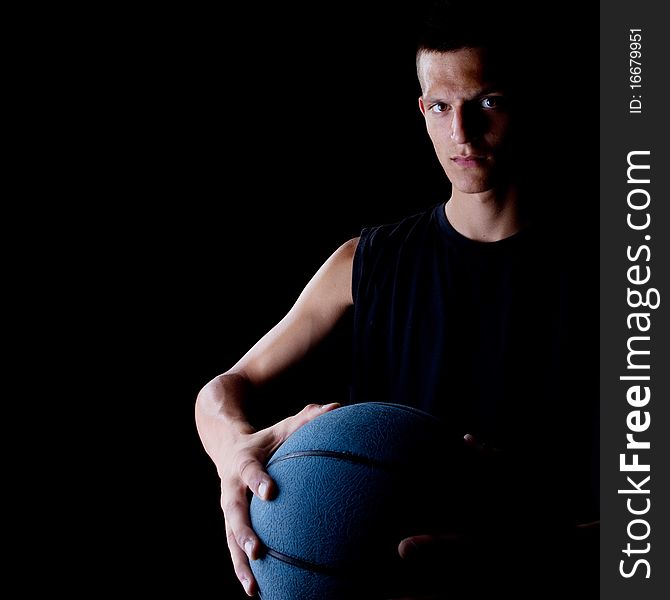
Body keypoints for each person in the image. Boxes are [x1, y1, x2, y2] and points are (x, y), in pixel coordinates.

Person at [195, 2, 598, 597]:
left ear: (526, 99)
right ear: (422, 110)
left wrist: (534, 550)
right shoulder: (364, 262)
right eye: (441, 106)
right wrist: (235, 455)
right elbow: (221, 391)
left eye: (487, 101)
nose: (461, 132)